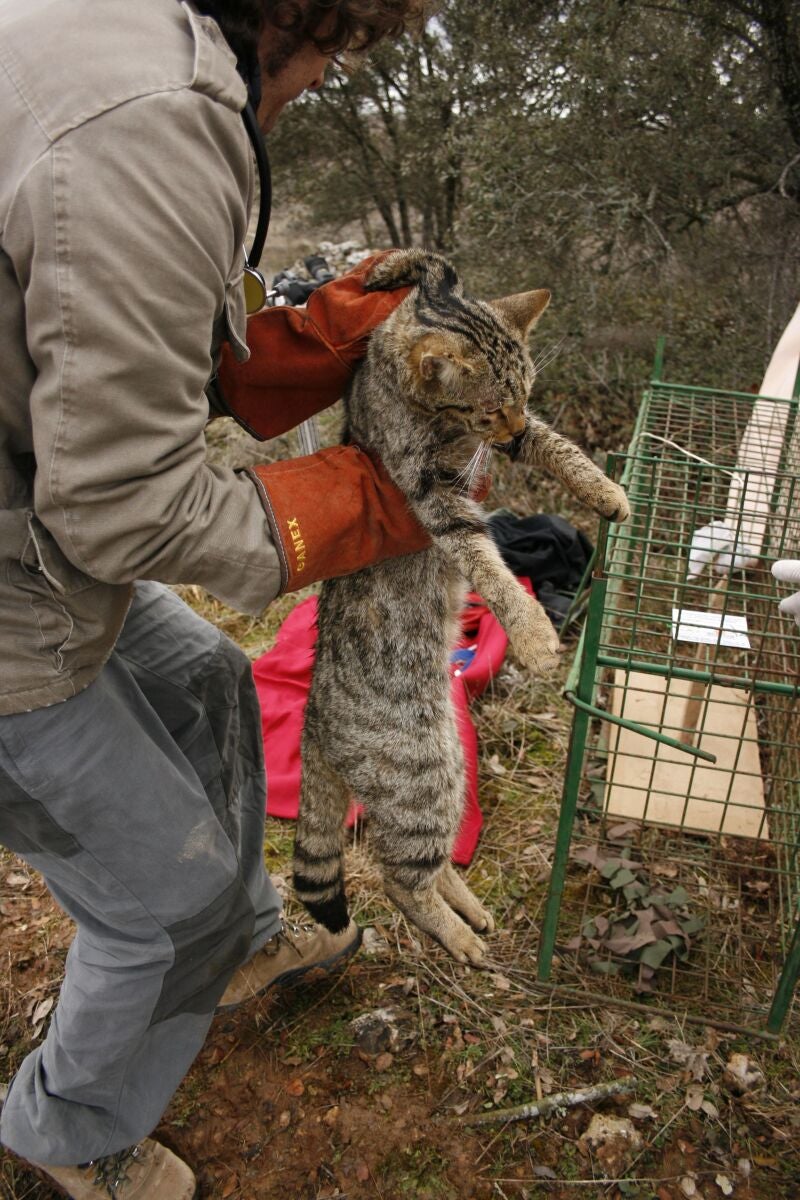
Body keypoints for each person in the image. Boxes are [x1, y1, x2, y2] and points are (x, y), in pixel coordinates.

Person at [0, 1, 428, 1195]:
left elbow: (93, 324)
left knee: (205, 677)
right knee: (158, 907)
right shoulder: (150, 114)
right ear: (304, 20)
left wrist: (281, 345)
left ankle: (234, 939)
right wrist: (364, 502)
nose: (314, 88)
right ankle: (65, 1135)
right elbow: (124, 507)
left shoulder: (110, 32)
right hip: (12, 596)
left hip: (27, 518)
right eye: (335, 60)